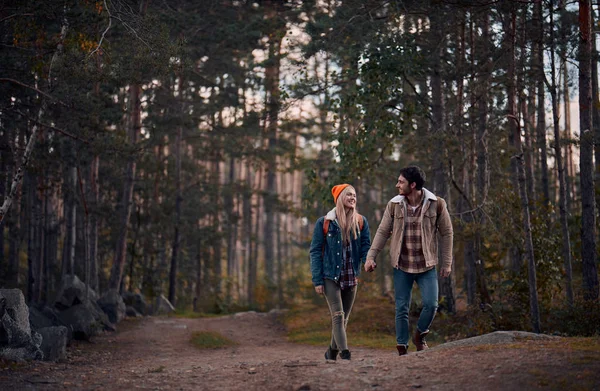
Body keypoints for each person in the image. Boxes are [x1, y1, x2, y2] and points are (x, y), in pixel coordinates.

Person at [364, 166, 453, 356]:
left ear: (413, 185)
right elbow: (382, 232)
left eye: (401, 182)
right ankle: (402, 347)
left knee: (431, 304)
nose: (397, 185)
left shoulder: (436, 204)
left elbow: (447, 233)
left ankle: (420, 335)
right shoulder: (394, 205)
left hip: (426, 265)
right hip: (402, 264)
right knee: (401, 307)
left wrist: (447, 262)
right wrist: (371, 257)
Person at [310, 184, 371, 361]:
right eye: (349, 195)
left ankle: (331, 351)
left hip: (351, 275)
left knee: (344, 319)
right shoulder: (325, 223)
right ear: (339, 198)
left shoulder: (360, 221)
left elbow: (366, 245)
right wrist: (317, 280)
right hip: (330, 276)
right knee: (338, 315)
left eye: (354, 195)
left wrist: (368, 259)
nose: (353, 198)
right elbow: (315, 251)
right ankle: (345, 353)